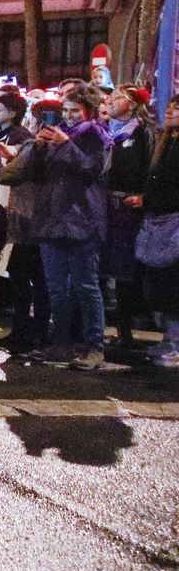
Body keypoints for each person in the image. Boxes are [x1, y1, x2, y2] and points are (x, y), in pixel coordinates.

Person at [27, 84, 110, 368]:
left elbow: (91, 170)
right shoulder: (57, 133)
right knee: (56, 288)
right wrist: (38, 148)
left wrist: (66, 144)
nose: (69, 115)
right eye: (66, 110)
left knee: (86, 286)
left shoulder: (97, 136)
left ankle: (94, 346)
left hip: (82, 221)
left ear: (89, 111)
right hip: (52, 220)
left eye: (76, 110)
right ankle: (60, 343)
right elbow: (35, 174)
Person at [0, 88, 50, 352]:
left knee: (24, 277)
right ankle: (32, 331)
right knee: (34, 278)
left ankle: (26, 332)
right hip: (38, 219)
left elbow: (9, 175)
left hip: (27, 220)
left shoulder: (32, 144)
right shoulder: (42, 145)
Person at [104, 86, 155, 358]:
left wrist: (144, 196)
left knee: (125, 270)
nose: (110, 101)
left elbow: (149, 168)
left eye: (117, 98)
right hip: (103, 205)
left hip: (127, 207)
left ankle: (126, 330)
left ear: (132, 104)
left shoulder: (142, 133)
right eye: (110, 97)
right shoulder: (104, 130)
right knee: (102, 266)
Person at [140, 94, 179, 366]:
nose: (171, 111)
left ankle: (176, 343)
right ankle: (169, 339)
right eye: (170, 107)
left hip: (174, 218)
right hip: (159, 218)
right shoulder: (165, 142)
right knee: (161, 284)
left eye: (177, 108)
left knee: (174, 283)